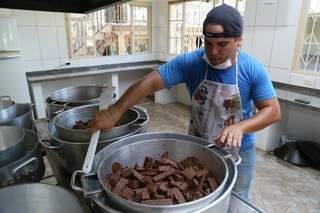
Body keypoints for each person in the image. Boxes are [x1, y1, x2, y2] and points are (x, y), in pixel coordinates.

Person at [89, 4, 281, 200]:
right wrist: (114, 112)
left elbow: (273, 111)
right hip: (198, 144)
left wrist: (241, 127)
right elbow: (148, 84)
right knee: (197, 195)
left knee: (236, 199)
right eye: (208, 43)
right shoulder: (191, 63)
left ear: (238, 40)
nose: (214, 52)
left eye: (222, 44)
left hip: (238, 151)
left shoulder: (252, 69)